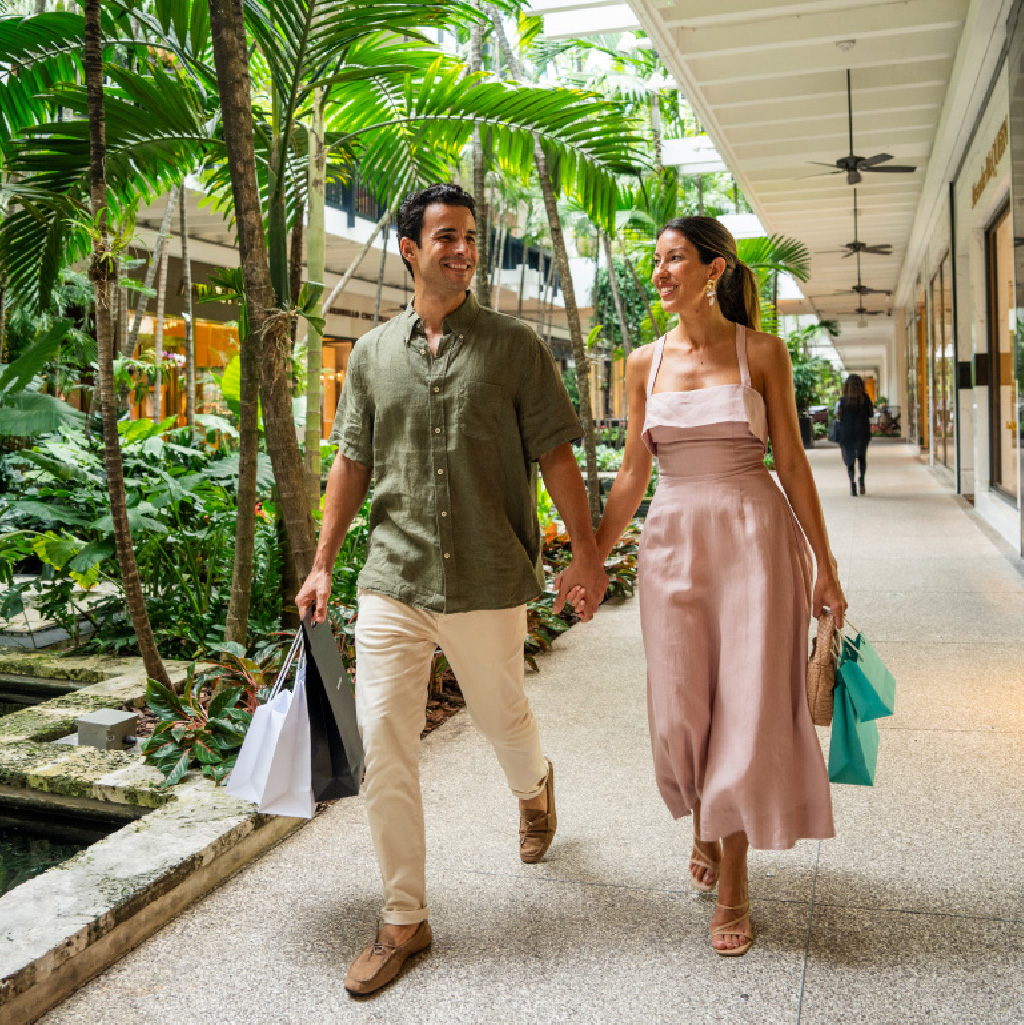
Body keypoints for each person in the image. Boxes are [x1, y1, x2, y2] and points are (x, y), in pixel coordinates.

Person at [295, 183, 608, 996]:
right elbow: (352, 464)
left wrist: (588, 554)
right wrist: (325, 560)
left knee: (504, 718)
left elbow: (557, 456)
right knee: (386, 745)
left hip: (488, 572)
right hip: (391, 577)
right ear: (409, 248)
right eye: (446, 236)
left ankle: (534, 788)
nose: (463, 249)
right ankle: (405, 915)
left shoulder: (514, 348)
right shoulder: (368, 355)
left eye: (471, 237)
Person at [578, 216, 845, 957]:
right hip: (673, 542)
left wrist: (827, 564)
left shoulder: (763, 352)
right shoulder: (643, 362)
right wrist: (595, 558)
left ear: (716, 269)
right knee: (679, 707)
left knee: (750, 706)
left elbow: (790, 461)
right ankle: (703, 809)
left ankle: (734, 877)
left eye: (675, 260)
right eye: (656, 262)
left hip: (756, 539)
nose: (660, 273)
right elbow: (633, 471)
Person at [836, 374, 874, 495]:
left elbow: (839, 415)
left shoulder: (843, 401)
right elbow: (871, 414)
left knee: (849, 458)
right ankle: (861, 482)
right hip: (862, 432)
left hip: (847, 433)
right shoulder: (865, 399)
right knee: (862, 457)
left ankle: (852, 485)